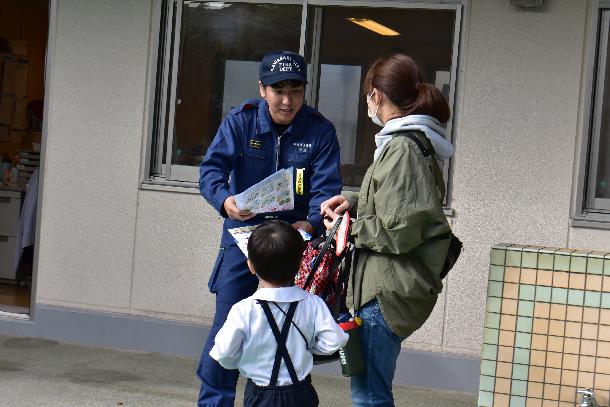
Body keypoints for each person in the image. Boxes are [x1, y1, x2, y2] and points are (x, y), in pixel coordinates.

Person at [198, 50, 342, 406]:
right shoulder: (241, 122)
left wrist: (308, 222)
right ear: (262, 89)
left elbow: (325, 190)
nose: (286, 100)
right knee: (226, 329)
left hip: (293, 243)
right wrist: (224, 201)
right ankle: (215, 401)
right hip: (242, 240)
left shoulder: (320, 130)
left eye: (295, 90)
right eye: (278, 90)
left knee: (292, 328)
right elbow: (211, 171)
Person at [320, 53, 454, 407]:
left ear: (376, 95)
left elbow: (398, 230)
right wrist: (352, 203)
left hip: (382, 293)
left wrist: (346, 227)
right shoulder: (406, 143)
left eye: (368, 94)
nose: (367, 102)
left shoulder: (403, 148)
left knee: (370, 396)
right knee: (369, 391)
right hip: (382, 287)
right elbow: (395, 206)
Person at [209, 220, 349, 407]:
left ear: (250, 266)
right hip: (301, 392)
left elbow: (224, 354)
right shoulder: (313, 303)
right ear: (300, 263)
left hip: (260, 393)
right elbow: (335, 341)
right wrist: (307, 348)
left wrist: (244, 359)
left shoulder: (243, 309)